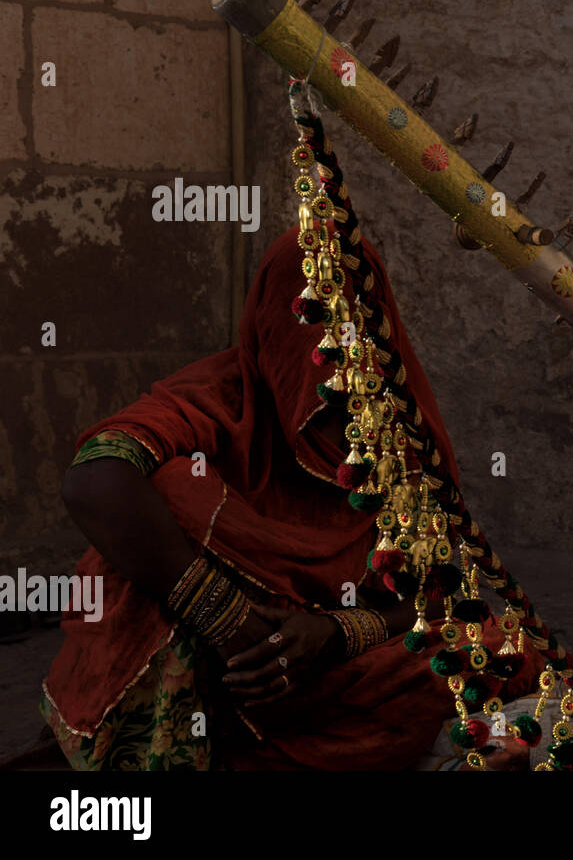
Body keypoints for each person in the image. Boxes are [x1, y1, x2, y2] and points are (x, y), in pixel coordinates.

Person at [44, 180, 539, 769]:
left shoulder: (397, 435)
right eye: (320, 391)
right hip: (220, 671)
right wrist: (226, 618)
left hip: (323, 668)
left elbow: (435, 595)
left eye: (356, 376)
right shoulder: (220, 399)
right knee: (169, 497)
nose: (342, 414)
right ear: (277, 350)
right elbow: (93, 481)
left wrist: (329, 635)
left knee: (487, 647)